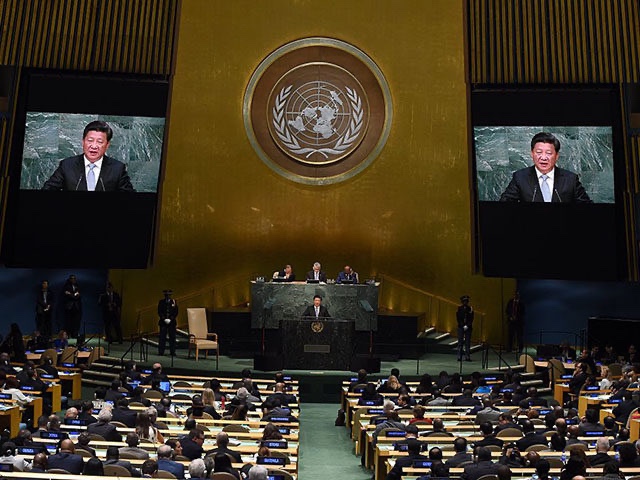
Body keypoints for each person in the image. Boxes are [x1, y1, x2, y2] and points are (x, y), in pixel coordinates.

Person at [499, 132, 592, 203]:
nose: (543, 158)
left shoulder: (571, 179)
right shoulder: (520, 177)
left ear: (556, 156)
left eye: (549, 153)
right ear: (532, 154)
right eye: (539, 152)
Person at [42, 120, 134, 191]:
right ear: (83, 142)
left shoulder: (117, 169)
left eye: (99, 142)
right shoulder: (67, 165)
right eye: (90, 140)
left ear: (107, 145)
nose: (94, 146)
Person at [157, 289, 178, 356]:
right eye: (166, 295)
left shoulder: (174, 302)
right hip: (163, 322)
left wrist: (171, 319)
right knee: (162, 337)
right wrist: (164, 319)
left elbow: (176, 312)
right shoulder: (161, 302)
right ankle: (161, 352)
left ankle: (172, 352)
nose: (167, 296)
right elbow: (159, 311)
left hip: (172, 323)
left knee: (172, 338)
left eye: (169, 295)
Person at [62, 275, 82, 339]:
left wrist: (70, 294)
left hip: (76, 307)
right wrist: (74, 295)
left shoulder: (77, 286)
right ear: (69, 279)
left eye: (74, 279)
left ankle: (74, 334)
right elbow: (67, 296)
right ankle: (68, 334)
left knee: (76, 321)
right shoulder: (66, 286)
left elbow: (78, 296)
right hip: (69, 307)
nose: (73, 280)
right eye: (72, 279)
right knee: (68, 321)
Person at [456, 295, 474, 361]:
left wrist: (467, 325)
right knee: (460, 342)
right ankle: (459, 356)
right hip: (461, 327)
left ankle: (467, 356)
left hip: (468, 327)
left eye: (466, 301)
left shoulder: (470, 309)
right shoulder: (459, 308)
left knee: (467, 342)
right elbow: (458, 318)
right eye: (464, 301)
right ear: (462, 302)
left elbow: (471, 318)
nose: (465, 302)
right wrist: (463, 325)